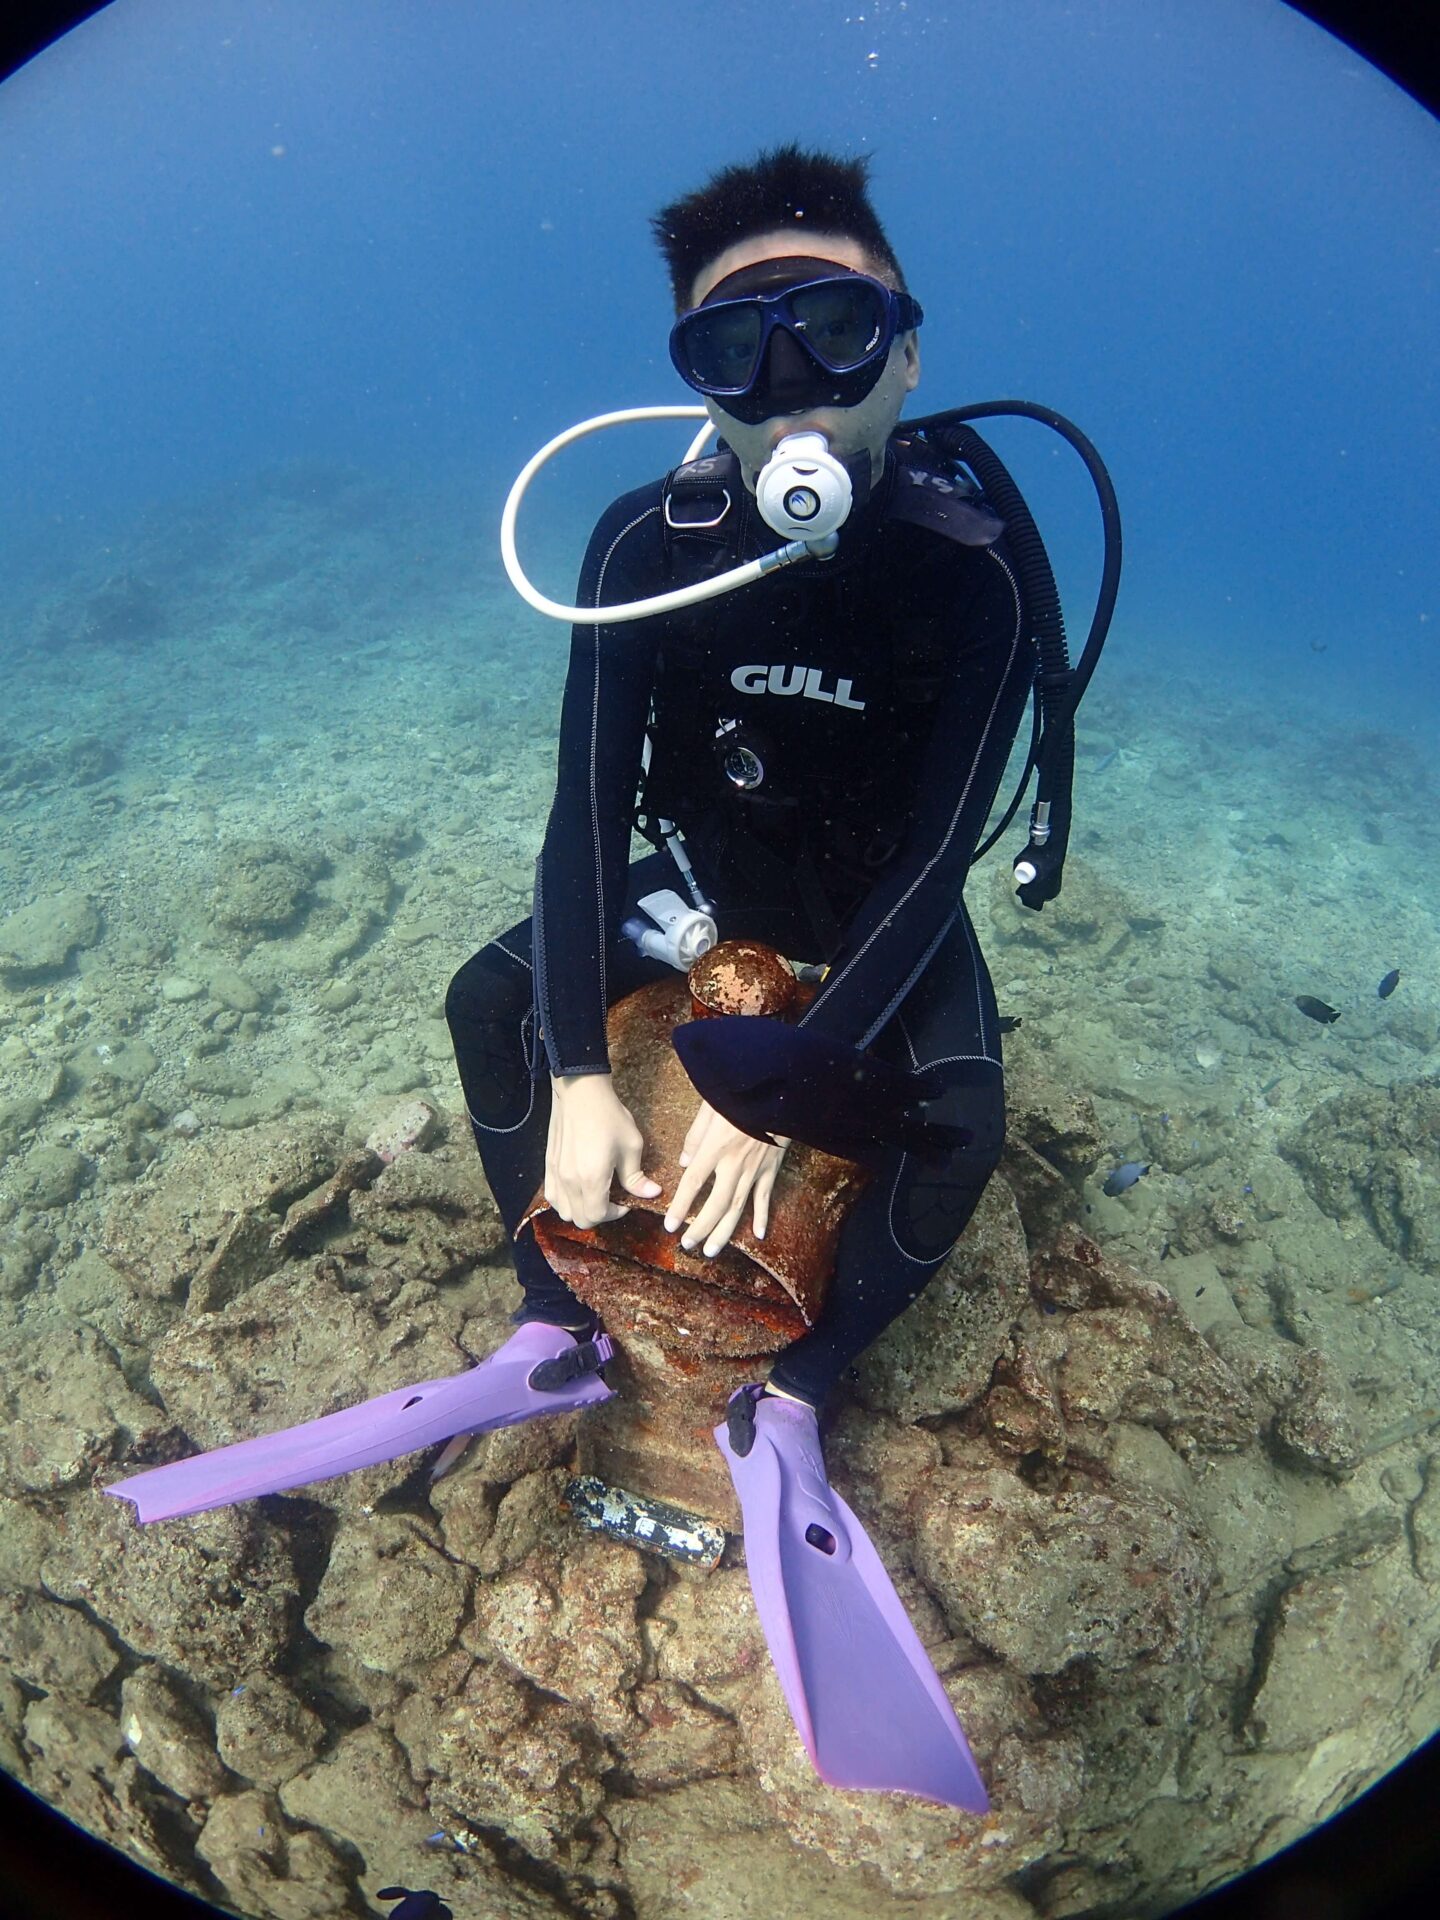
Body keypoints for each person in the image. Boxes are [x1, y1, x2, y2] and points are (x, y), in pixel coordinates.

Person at [441, 146, 1042, 1810]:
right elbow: (581, 817)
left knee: (968, 1126)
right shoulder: (646, 543)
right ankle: (558, 1312)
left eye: (833, 329)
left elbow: (944, 861)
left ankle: (800, 1392)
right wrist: (579, 1075)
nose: (789, 388)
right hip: (697, 881)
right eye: (734, 349)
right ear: (692, 383)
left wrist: (782, 1091)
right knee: (488, 1005)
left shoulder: (976, 559)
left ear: (906, 352)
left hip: (881, 904)